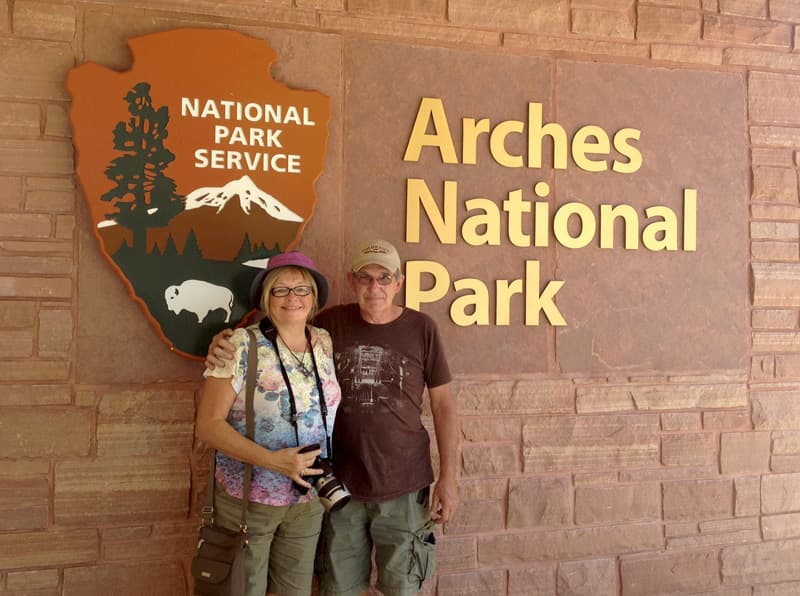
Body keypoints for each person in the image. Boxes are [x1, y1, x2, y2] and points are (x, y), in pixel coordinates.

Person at [207, 239, 459, 596]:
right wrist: (225, 342)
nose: (375, 287)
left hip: (405, 486)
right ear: (352, 280)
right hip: (340, 488)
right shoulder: (328, 327)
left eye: (385, 277)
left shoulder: (421, 328)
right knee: (337, 588)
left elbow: (444, 405)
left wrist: (449, 478)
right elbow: (278, 327)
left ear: (399, 282)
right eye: (366, 277)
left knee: (402, 586)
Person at [196, 251, 342, 596]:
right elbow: (208, 425)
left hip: (307, 501)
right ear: (265, 298)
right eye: (281, 290)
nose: (293, 298)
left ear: (314, 297)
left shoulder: (323, 342)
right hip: (250, 499)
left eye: (302, 289)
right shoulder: (239, 345)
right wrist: (274, 461)